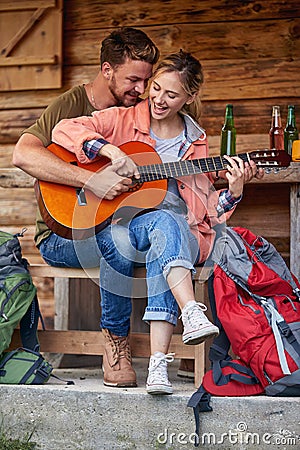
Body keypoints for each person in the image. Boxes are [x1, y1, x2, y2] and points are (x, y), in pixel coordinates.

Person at [51, 50, 264, 394]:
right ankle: (190, 311)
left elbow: (207, 206)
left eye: (172, 94)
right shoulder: (120, 119)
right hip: (122, 229)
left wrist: (235, 191)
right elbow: (64, 130)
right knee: (167, 223)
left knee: (167, 228)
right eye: (156, 88)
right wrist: (111, 152)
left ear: (190, 97)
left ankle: (158, 369)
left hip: (167, 238)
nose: (159, 100)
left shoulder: (195, 143)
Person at [13, 27, 160, 388]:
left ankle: (167, 353)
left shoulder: (140, 115)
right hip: (60, 236)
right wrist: (89, 180)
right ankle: (116, 343)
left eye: (146, 82)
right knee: (117, 240)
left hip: (119, 228)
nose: (141, 91)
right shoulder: (70, 106)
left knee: (139, 234)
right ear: (107, 70)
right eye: (133, 80)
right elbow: (23, 153)